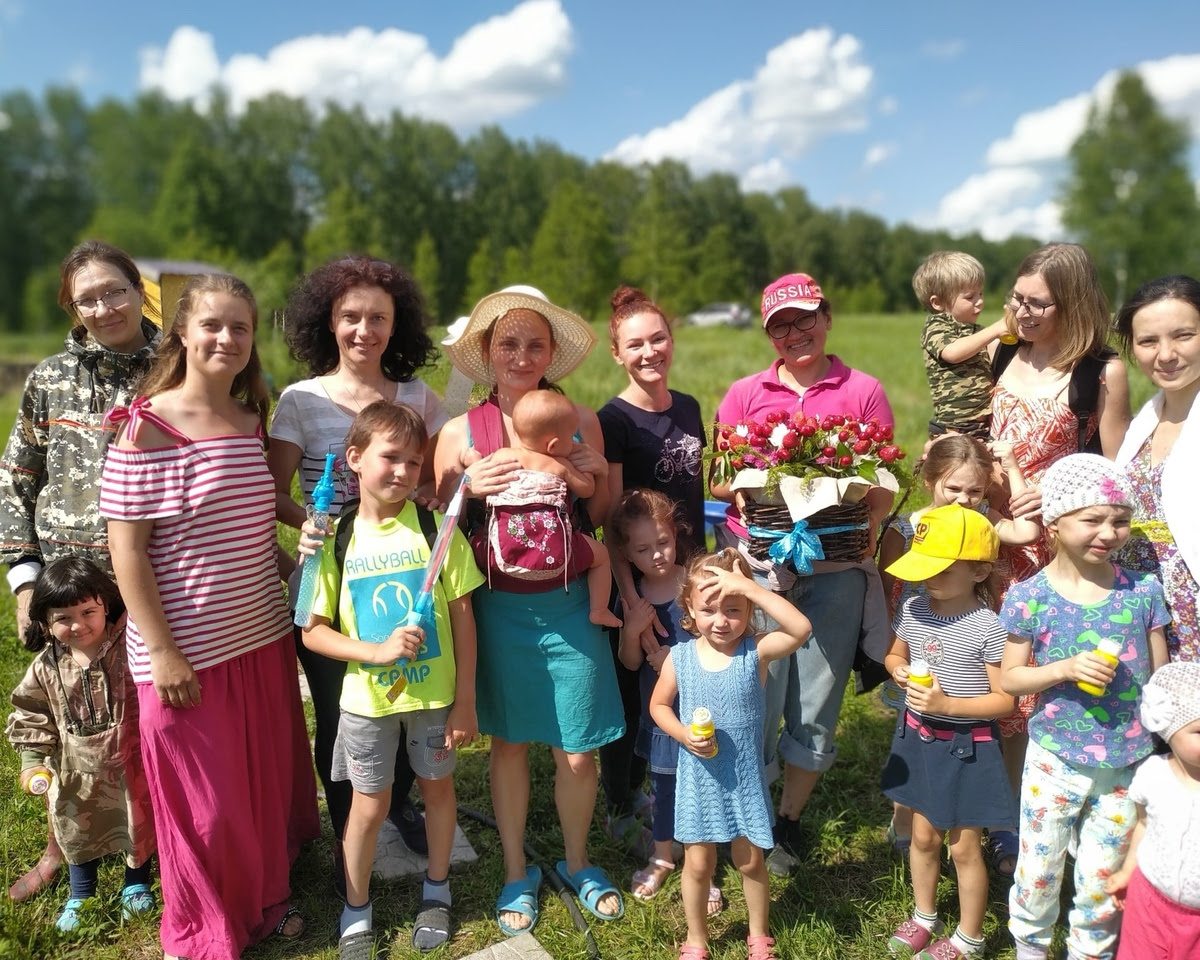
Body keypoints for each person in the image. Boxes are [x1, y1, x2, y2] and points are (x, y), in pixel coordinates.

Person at [100, 274, 320, 960]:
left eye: (241, 328)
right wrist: (162, 653)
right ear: (184, 335)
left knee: (257, 785)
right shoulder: (147, 426)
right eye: (214, 326)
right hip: (186, 649)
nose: (227, 338)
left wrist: (311, 556)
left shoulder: (251, 417)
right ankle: (205, 928)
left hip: (258, 634)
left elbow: (251, 523)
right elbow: (126, 553)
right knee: (206, 805)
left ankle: (266, 894)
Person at [434, 284, 624, 935]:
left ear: (551, 354)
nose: (521, 354)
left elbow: (601, 518)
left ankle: (578, 862)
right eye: (507, 342)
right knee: (509, 744)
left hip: (570, 604)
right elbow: (433, 522)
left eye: (534, 343)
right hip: (496, 610)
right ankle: (516, 872)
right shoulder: (461, 431)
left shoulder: (581, 419)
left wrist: (595, 474)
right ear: (487, 352)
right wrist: (464, 485)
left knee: (578, 750)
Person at [711, 271, 895, 876]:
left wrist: (844, 501)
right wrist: (748, 495)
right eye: (780, 325)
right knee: (757, 690)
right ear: (769, 334)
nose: (795, 333)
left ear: (826, 317)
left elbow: (880, 483)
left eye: (804, 318)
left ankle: (787, 818)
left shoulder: (863, 389)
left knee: (817, 695)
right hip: (763, 566)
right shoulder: (745, 394)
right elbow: (721, 477)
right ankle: (752, 809)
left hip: (837, 567)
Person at [268, 255, 445, 882]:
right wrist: (305, 525)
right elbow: (275, 488)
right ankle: (351, 815)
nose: (364, 330)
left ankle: (396, 806)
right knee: (341, 709)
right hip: (329, 588)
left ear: (398, 326)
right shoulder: (299, 399)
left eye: (379, 317)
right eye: (350, 317)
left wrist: (433, 494)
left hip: (400, 578)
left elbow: (441, 475)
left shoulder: (419, 397)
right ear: (328, 322)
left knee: (405, 692)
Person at [0, 240, 160, 902]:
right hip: (67, 592)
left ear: (137, 289)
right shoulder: (49, 378)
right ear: (73, 305)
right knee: (72, 725)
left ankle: (146, 852)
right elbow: (16, 479)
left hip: (147, 583)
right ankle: (63, 847)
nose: (103, 306)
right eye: (86, 297)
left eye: (114, 290)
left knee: (140, 724)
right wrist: (24, 578)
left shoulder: (173, 370)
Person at [301, 402, 484, 956]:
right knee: (368, 805)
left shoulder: (436, 526)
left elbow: (462, 617)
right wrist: (375, 653)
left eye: (413, 460)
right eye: (390, 457)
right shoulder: (334, 539)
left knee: (437, 789)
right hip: (365, 702)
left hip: (434, 698)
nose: (402, 471)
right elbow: (312, 631)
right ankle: (355, 909)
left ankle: (437, 890)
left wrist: (466, 701)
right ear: (354, 459)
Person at [988, 242, 1133, 872]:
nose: (1021, 312)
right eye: (1017, 297)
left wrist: (1060, 485)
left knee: (1046, 684)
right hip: (994, 544)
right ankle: (1000, 812)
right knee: (991, 676)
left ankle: (1051, 817)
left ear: (1071, 304)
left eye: (1037, 303)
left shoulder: (1102, 371)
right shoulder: (1000, 353)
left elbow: (1118, 470)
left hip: (1061, 554)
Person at [998, 454, 1169, 960]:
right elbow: (1009, 677)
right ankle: (1029, 946)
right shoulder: (1029, 597)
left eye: (1120, 520)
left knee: (1101, 881)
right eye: (1091, 519)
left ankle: (1090, 951)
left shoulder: (1143, 592)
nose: (1109, 532)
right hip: (1054, 759)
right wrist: (1064, 669)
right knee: (1038, 871)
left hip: (1127, 762)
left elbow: (1159, 679)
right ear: (1053, 524)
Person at [876, 435, 1038, 859]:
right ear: (931, 478)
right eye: (954, 488)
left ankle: (997, 817)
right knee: (909, 729)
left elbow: (1027, 531)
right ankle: (907, 819)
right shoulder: (906, 529)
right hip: (920, 633)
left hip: (968, 638)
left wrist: (1014, 467)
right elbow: (886, 583)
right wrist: (891, 654)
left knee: (993, 730)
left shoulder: (984, 520)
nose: (965, 499)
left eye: (975, 490)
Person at [649, 549, 811, 960]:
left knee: (751, 860)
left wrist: (750, 586)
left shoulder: (754, 652)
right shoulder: (680, 658)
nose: (722, 620)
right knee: (698, 865)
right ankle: (697, 939)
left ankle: (758, 935)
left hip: (742, 780)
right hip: (698, 779)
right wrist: (684, 735)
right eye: (709, 609)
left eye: (735, 609)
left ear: (750, 609)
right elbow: (658, 707)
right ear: (689, 607)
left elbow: (800, 628)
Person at [880, 505, 1016, 960]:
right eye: (924, 566)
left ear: (979, 569)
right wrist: (899, 671)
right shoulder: (915, 608)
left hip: (967, 748)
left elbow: (1004, 701)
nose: (927, 578)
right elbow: (894, 655)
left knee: (963, 847)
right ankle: (925, 915)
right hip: (919, 739)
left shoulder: (988, 627)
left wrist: (948, 706)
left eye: (940, 568)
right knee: (922, 836)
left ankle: (970, 938)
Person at [597, 285, 705, 855]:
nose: (648, 352)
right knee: (633, 691)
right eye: (634, 344)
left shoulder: (687, 407)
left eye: (657, 339)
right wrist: (630, 602)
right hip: (639, 584)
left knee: (686, 683)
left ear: (671, 340)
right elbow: (614, 518)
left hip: (687, 577)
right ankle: (621, 799)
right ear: (617, 353)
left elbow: (697, 490)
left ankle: (676, 783)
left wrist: (705, 575)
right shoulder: (613, 420)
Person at [5, 557, 155, 932]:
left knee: (136, 820)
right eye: (63, 618)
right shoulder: (46, 667)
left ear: (106, 604)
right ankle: (81, 893)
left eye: (88, 611)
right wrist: (32, 759)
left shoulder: (129, 649)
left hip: (130, 765)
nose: (78, 625)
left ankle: (136, 883)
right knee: (75, 826)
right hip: (73, 773)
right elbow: (31, 714)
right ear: (45, 623)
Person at [608, 489, 722, 915]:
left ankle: (703, 866)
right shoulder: (633, 596)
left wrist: (674, 659)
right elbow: (630, 661)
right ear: (627, 553)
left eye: (663, 543)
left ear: (677, 535)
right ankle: (662, 855)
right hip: (660, 716)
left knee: (704, 789)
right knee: (664, 787)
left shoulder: (695, 585)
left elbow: (719, 645)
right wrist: (631, 629)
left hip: (702, 712)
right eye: (643, 549)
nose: (656, 555)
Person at [476, 389, 622, 628]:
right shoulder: (558, 464)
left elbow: (483, 484)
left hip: (501, 551)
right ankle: (599, 610)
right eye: (570, 439)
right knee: (602, 557)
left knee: (474, 542)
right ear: (553, 445)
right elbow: (586, 490)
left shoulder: (502, 456)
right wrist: (589, 470)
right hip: (558, 550)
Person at [1113, 275, 1200, 663]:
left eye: (1183, 335)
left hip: (1191, 611)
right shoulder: (1145, 419)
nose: (1165, 354)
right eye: (1148, 341)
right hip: (1142, 613)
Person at [1106, 661, 1200, 960]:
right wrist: (1127, 870)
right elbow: (1145, 826)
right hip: (1149, 903)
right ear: (1169, 731)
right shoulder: (1154, 775)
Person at [912, 251, 1010, 439]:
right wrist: (996, 329)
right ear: (938, 302)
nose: (980, 301)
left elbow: (996, 349)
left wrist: (1012, 328)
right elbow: (952, 352)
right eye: (970, 296)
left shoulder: (976, 330)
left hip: (984, 424)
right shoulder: (936, 325)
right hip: (956, 427)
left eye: (980, 293)